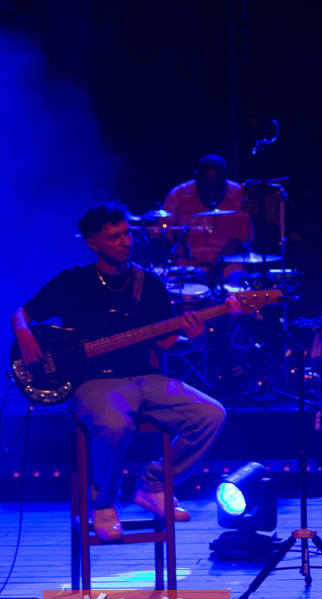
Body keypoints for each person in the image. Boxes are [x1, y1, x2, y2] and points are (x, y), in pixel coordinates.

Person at [12, 201, 241, 542]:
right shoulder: (73, 281)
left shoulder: (147, 284)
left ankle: (154, 484)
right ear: (93, 243)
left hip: (143, 378)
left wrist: (195, 339)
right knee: (116, 424)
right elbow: (21, 313)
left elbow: (165, 343)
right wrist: (24, 334)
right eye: (115, 236)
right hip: (92, 383)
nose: (125, 241)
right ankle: (103, 503)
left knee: (211, 413)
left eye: (127, 233)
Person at [162, 154, 251, 267]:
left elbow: (243, 239)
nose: (211, 194)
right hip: (186, 266)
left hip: (229, 263)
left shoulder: (238, 196)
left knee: (236, 280)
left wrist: (220, 264)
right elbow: (164, 238)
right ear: (197, 177)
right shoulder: (178, 196)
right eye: (207, 189)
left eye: (216, 190)